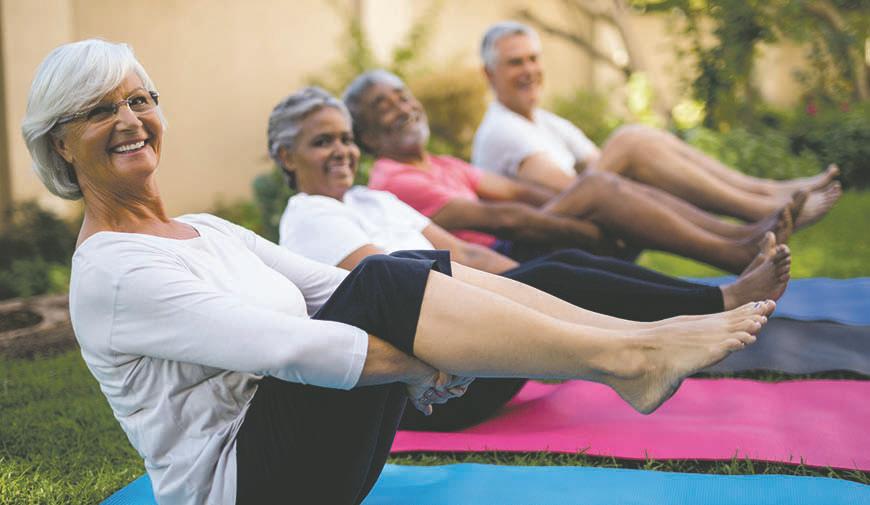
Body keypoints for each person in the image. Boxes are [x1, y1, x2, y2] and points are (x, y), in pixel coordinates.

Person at [22, 39, 772, 505]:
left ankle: (637, 342)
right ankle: (629, 358)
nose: (130, 119)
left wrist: (430, 343)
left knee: (396, 268)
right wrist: (426, 362)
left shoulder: (206, 228)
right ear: (60, 143)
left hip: (308, 450)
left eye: (140, 99)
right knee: (384, 280)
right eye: (100, 110)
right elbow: (290, 348)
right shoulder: (112, 272)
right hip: (247, 485)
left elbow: (326, 290)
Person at [270, 86, 791, 430]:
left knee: (553, 269)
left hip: (468, 339)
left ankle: (691, 315)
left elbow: (465, 252)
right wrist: (529, 294)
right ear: (287, 157)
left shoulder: (371, 200)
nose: (341, 151)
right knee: (549, 273)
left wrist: (525, 294)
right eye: (322, 142)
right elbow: (388, 298)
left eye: (344, 139)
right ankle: (706, 308)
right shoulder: (309, 216)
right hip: (433, 384)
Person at [343, 70, 801, 274]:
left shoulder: (440, 163)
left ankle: (737, 238)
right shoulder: (393, 179)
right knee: (603, 184)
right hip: (499, 262)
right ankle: (733, 247)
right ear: (366, 135)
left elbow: (518, 194)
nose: (402, 107)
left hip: (521, 237)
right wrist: (591, 227)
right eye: (384, 106)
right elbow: (502, 219)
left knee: (603, 187)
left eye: (402, 96)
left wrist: (600, 206)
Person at [472, 21, 842, 228]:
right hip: (557, 231)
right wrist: (632, 162)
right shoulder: (501, 130)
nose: (529, 70)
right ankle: (763, 209)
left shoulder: (546, 121)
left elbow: (598, 166)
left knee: (638, 141)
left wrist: (649, 170)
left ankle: (768, 193)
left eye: (533, 59)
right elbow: (573, 191)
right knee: (630, 141)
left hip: (592, 211)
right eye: (515, 62)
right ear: (489, 73)